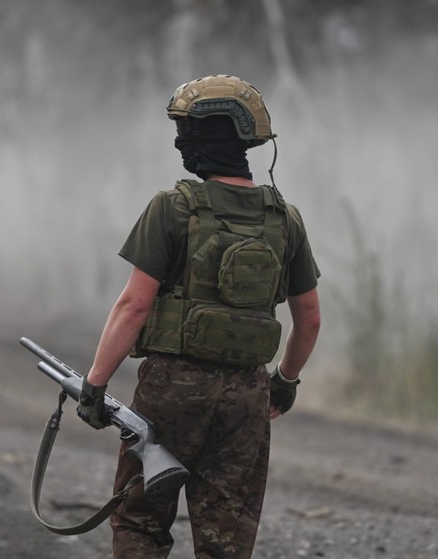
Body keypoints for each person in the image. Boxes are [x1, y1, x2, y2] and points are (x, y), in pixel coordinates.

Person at [78, 74, 321, 558]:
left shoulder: (172, 207)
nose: (179, 141)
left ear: (204, 137)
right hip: (247, 400)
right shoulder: (284, 218)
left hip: (172, 390)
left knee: (141, 523)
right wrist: (285, 382)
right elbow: (309, 319)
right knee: (226, 538)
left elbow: (134, 305)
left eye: (186, 129)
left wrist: (95, 385)